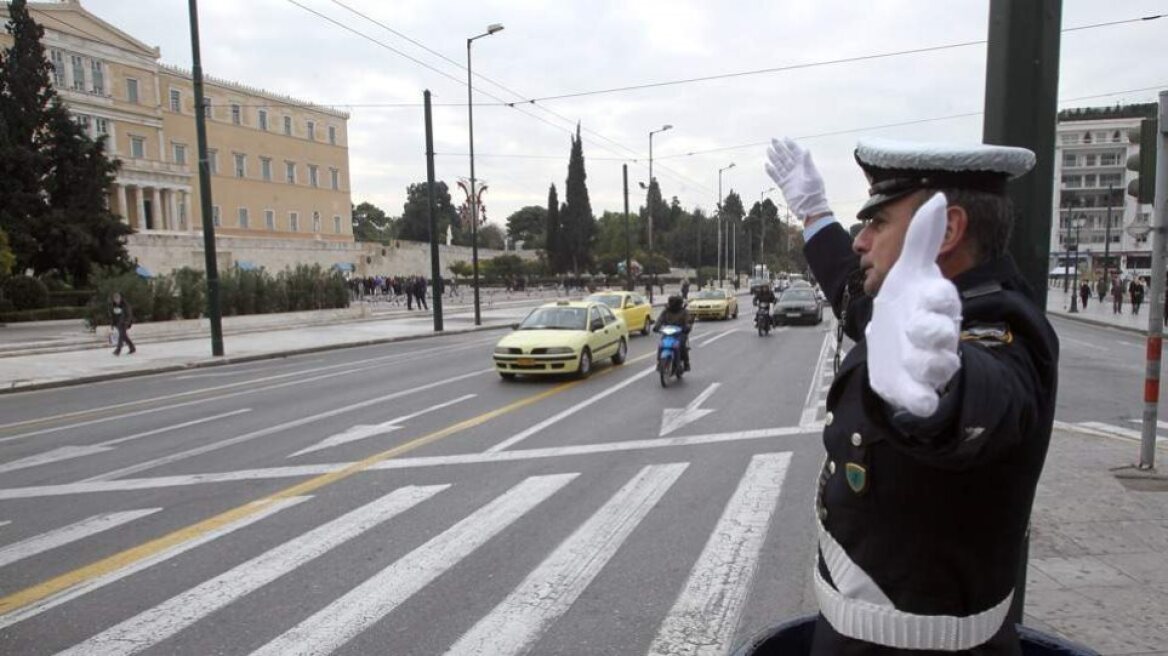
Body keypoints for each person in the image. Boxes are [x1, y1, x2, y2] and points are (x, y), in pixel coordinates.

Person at [765, 136, 1059, 655]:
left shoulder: (992, 327)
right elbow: (850, 294)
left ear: (945, 231)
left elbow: (990, 400)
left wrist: (941, 389)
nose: (860, 241)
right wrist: (813, 214)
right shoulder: (905, 312)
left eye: (877, 222)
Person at [652, 295, 693, 371]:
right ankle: (659, 362)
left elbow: (688, 321)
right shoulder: (666, 311)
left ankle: (686, 363)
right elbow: (660, 319)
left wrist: (687, 327)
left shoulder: (684, 312)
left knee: (682, 346)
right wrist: (656, 327)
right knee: (661, 345)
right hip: (668, 332)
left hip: (680, 333)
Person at [110, 292, 136, 356]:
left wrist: (127, 322)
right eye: (115, 299)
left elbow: (129, 314)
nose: (116, 300)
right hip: (118, 323)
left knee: (121, 336)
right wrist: (112, 324)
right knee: (124, 336)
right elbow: (113, 315)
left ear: (120, 298)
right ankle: (132, 347)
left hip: (124, 323)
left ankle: (118, 350)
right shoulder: (114, 305)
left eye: (117, 298)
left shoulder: (125, 305)